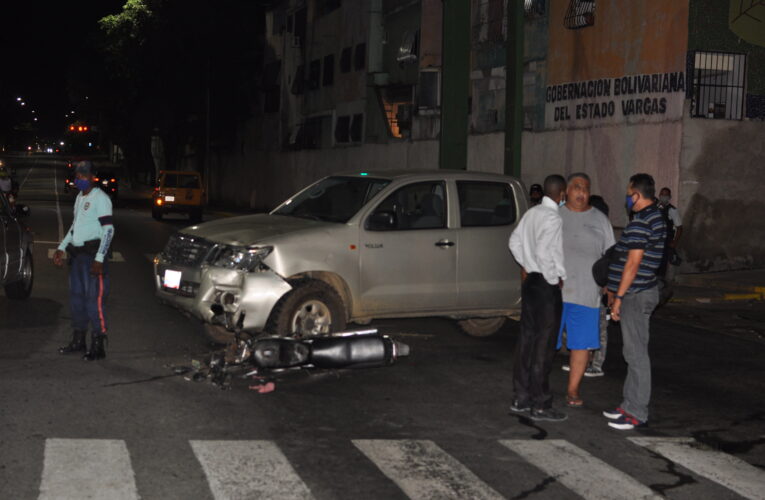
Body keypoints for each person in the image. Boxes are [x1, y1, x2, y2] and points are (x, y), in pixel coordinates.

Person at [603, 173, 666, 430]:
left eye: (629, 195)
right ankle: (628, 405)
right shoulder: (655, 217)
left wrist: (618, 297)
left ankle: (637, 412)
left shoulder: (641, 221)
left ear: (637, 195)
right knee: (633, 352)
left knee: (636, 354)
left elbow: (633, 263)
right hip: (641, 291)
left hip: (636, 294)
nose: (627, 199)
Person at [509, 174, 568, 422]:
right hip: (545, 285)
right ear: (561, 193)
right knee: (544, 345)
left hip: (530, 281)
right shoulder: (553, 217)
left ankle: (521, 397)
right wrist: (553, 278)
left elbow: (514, 242)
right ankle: (541, 403)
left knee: (527, 341)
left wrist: (527, 264)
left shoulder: (532, 213)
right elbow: (545, 251)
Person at [557, 174, 614, 407]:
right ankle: (534, 388)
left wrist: (610, 286)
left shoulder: (600, 220)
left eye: (586, 188)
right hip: (554, 294)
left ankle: (572, 390)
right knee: (543, 342)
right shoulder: (554, 216)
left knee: (581, 345)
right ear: (566, 191)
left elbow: (611, 256)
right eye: (577, 187)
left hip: (587, 293)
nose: (582, 192)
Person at [54, 161, 115, 361]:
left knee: (94, 301)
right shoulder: (80, 197)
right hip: (78, 257)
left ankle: (99, 344)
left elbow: (108, 229)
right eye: (77, 175)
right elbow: (74, 226)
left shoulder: (101, 198)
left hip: (93, 257)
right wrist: (62, 248)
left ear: (92, 177)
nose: (79, 179)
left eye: (83, 176)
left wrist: (99, 258)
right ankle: (79, 340)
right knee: (77, 300)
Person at [656, 187, 682, 278]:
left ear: (669, 197)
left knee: (662, 265)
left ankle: (661, 283)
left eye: (666, 195)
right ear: (659, 196)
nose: (663, 197)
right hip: (654, 240)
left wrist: (674, 242)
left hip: (665, 241)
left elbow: (679, 228)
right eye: (662, 194)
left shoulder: (672, 210)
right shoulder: (655, 208)